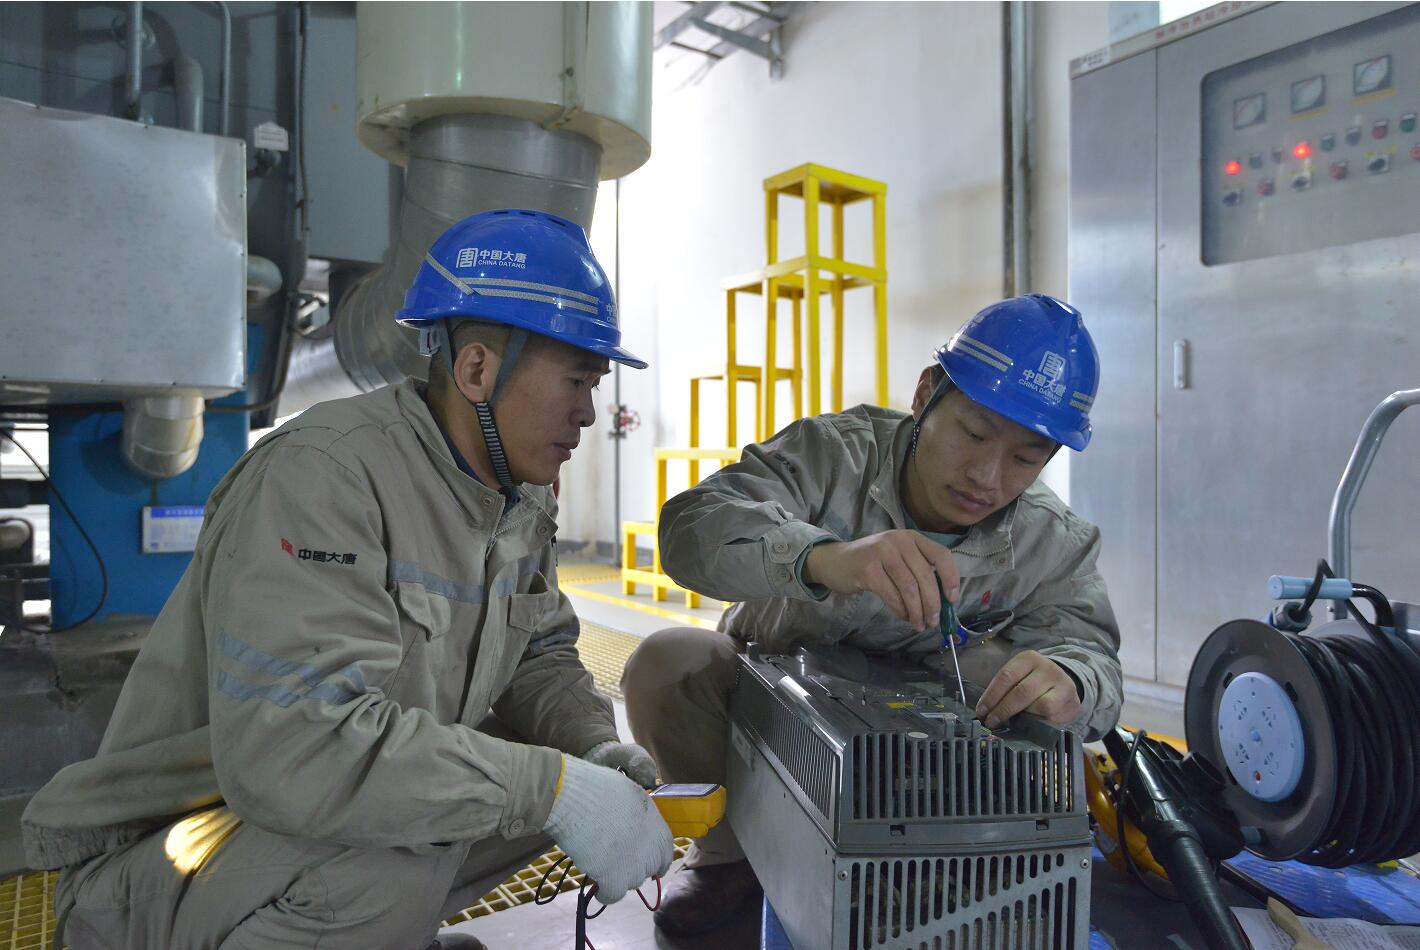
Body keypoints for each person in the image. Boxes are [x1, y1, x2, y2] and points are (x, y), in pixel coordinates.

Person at [22, 209, 673, 950]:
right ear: (476, 370)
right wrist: (548, 789)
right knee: (421, 842)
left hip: (290, 830)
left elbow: (539, 656)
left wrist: (593, 750)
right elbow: (296, 748)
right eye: (576, 380)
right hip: (169, 858)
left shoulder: (517, 500)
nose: (589, 413)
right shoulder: (324, 475)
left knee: (557, 791)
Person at [622, 293, 1123, 937]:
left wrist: (1071, 680)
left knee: (1016, 678)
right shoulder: (830, 455)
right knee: (669, 662)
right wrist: (822, 558)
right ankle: (730, 863)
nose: (987, 475)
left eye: (1025, 458)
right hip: (774, 712)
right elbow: (689, 530)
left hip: (924, 759)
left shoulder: (1052, 541)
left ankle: (944, 866)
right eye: (973, 434)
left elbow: (1093, 661)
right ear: (926, 394)